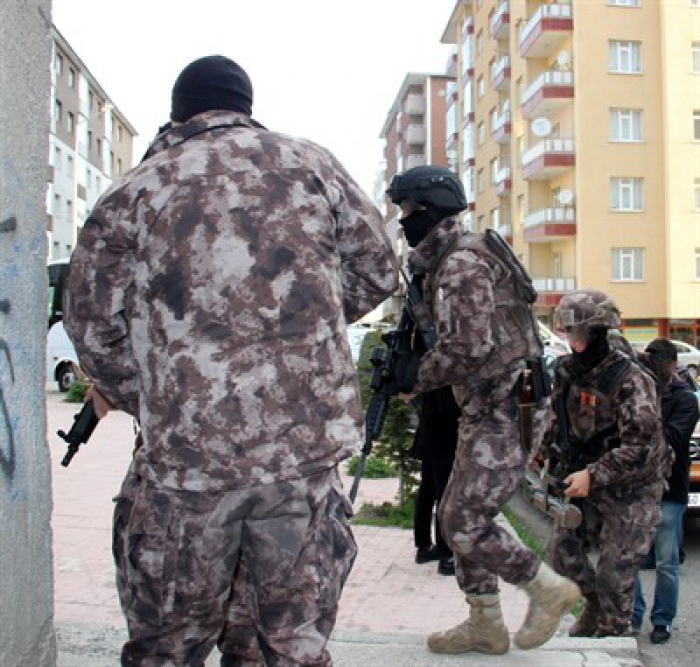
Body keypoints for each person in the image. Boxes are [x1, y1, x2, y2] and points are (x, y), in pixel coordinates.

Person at [64, 55, 398, 666]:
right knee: (292, 645)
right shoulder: (311, 165)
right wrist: (295, 332)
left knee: (170, 645)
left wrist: (162, 396)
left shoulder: (138, 189)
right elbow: (378, 271)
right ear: (246, 106)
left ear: (177, 113)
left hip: (187, 469)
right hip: (300, 458)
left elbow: (92, 325)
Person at [387, 165, 580, 657]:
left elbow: (469, 348)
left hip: (507, 406)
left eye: (405, 208)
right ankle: (485, 622)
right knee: (462, 514)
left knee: (463, 521)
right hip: (490, 404)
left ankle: (545, 588)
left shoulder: (460, 263)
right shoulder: (450, 258)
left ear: (425, 208)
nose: (402, 218)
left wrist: (413, 378)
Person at [545, 290, 672, 638]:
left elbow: (641, 448)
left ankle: (614, 638)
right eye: (568, 335)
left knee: (614, 576)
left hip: (634, 487)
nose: (573, 343)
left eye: (579, 335)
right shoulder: (566, 371)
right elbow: (555, 421)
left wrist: (592, 475)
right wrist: (540, 461)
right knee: (561, 554)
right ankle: (594, 606)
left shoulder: (632, 379)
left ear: (599, 333)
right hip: (589, 478)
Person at [631, 338, 698, 644]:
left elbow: (673, 438)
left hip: (670, 490)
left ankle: (662, 620)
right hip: (635, 488)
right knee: (627, 557)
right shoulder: (639, 392)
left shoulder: (684, 399)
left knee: (666, 562)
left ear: (672, 366)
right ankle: (631, 615)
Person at [412, 386, 459, 576]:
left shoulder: (431, 364)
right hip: (443, 441)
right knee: (444, 495)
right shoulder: (446, 370)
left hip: (429, 435)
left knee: (428, 491)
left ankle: (424, 547)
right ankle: (446, 555)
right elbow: (448, 409)